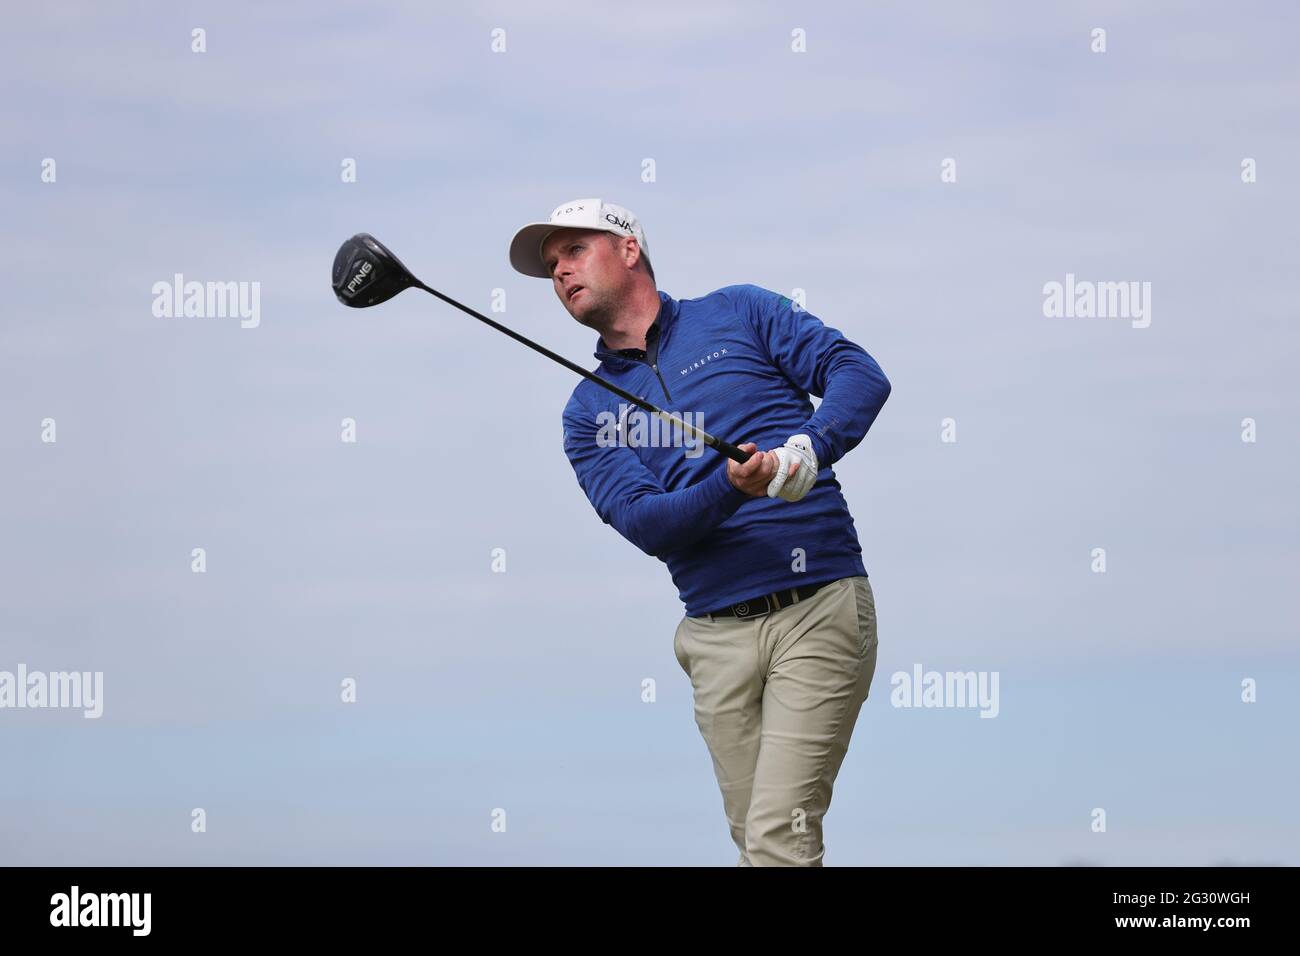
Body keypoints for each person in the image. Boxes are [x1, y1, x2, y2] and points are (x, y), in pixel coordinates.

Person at [509, 198, 892, 866]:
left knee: (778, 839)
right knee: (759, 844)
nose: (560, 273)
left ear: (628, 249)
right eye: (550, 267)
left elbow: (859, 375)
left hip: (818, 605)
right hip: (714, 639)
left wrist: (806, 450)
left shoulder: (740, 312)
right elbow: (644, 522)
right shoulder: (587, 411)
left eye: (573, 251)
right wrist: (728, 486)